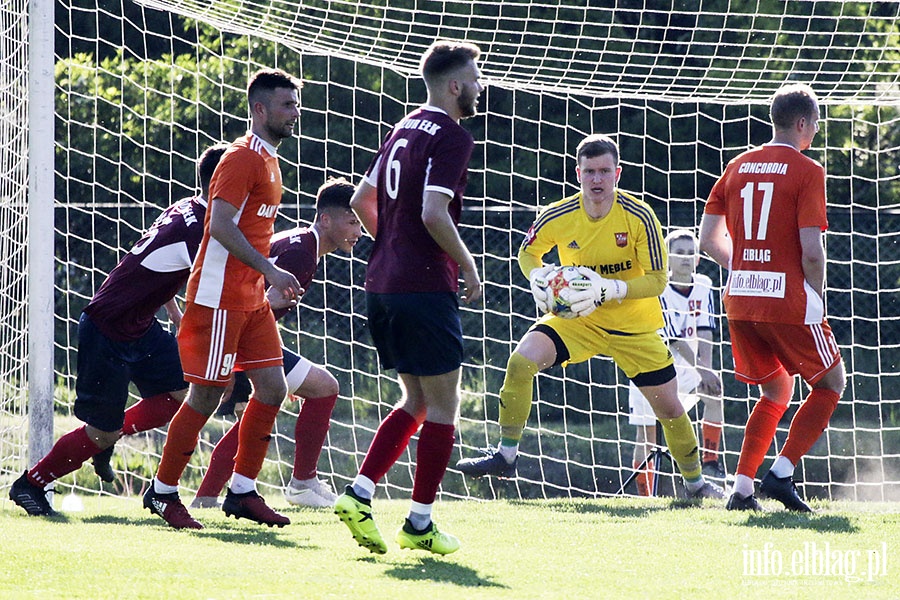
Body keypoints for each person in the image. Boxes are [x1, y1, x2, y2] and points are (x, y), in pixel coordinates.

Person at [455, 134, 724, 501]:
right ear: (577, 173)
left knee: (671, 410)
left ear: (618, 173)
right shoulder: (557, 215)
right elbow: (527, 254)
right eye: (590, 172)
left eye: (604, 171)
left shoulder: (640, 216)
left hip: (634, 327)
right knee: (520, 362)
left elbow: (659, 280)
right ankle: (506, 455)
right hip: (576, 321)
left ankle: (695, 485)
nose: (597, 179)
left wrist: (608, 289)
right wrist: (539, 277)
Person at [8, 143, 228, 516]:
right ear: (223, 183)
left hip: (140, 328)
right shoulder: (201, 232)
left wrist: (174, 319)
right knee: (102, 431)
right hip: (107, 330)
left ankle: (107, 437)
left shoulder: (186, 210)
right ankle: (31, 484)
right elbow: (211, 290)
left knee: (183, 393)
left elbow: (160, 272)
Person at [333, 40, 484, 556]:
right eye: (476, 77)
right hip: (422, 288)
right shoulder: (453, 135)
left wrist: (392, 245)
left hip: (382, 284)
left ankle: (359, 492)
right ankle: (419, 522)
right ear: (456, 85)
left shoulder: (400, 127)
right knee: (445, 407)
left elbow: (358, 200)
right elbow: (434, 213)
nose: (480, 87)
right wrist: (466, 264)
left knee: (416, 400)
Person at [143, 68, 304, 530]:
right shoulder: (240, 158)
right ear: (259, 109)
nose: (295, 113)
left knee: (273, 388)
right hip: (218, 297)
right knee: (206, 396)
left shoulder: (270, 159)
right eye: (286, 105)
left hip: (250, 298)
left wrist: (263, 278)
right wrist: (270, 267)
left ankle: (242, 491)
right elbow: (220, 226)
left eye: (295, 104)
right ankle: (164, 490)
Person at [699, 83, 845, 512]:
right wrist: (815, 295)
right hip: (788, 301)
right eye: (815, 125)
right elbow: (812, 252)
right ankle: (781, 474)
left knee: (777, 390)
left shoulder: (738, 165)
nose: (815, 133)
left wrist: (745, 269)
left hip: (741, 300)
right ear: (802, 123)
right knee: (831, 383)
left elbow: (709, 239)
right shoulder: (807, 170)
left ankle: (741, 490)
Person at [188, 177, 362, 509]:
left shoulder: (301, 242)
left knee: (263, 411)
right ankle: (302, 483)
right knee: (321, 389)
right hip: (233, 333)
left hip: (232, 330)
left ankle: (206, 497)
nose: (359, 230)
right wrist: (265, 366)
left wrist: (276, 365)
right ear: (326, 219)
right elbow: (261, 306)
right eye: (352, 221)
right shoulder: (301, 253)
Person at [628, 229, 724, 496]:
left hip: (688, 367)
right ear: (668, 259)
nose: (685, 258)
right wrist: (702, 368)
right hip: (651, 364)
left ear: (698, 259)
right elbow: (674, 338)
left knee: (714, 392)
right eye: (679, 253)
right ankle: (644, 495)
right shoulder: (658, 288)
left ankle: (711, 463)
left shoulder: (704, 285)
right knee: (647, 436)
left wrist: (708, 369)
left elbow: (706, 330)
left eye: (691, 253)